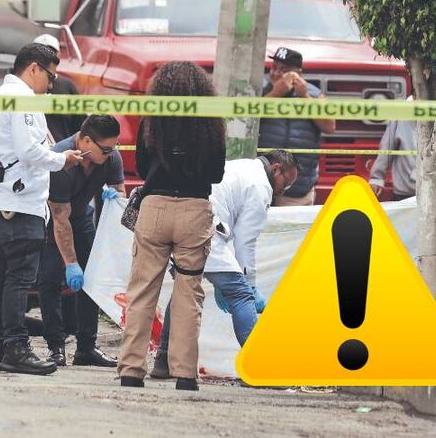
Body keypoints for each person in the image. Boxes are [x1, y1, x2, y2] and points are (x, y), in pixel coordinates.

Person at [0, 42, 85, 376]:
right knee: (19, 279)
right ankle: (16, 347)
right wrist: (61, 159)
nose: (50, 85)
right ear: (34, 68)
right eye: (50, 77)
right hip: (20, 203)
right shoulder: (24, 99)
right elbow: (28, 150)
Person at [117, 61, 225, 392]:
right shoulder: (210, 122)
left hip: (155, 207)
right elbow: (217, 173)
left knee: (143, 290)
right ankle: (185, 374)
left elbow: (141, 165)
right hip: (194, 210)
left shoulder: (155, 119)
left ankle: (132, 370)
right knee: (188, 294)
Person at [151, 150, 297, 380]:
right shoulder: (261, 187)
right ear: (276, 168)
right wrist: (250, 284)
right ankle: (258, 367)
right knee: (240, 295)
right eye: (285, 183)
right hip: (205, 229)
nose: (282, 190)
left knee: (183, 290)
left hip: (181, 224)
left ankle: (164, 360)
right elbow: (245, 241)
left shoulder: (241, 167)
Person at [39, 114, 125, 368]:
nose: (110, 154)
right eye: (106, 149)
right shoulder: (60, 160)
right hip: (53, 220)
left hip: (81, 217)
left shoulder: (111, 157)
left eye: (113, 148)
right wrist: (71, 263)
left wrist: (116, 197)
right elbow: (60, 218)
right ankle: (56, 347)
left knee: (92, 281)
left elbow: (120, 191)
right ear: (86, 141)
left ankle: (86, 347)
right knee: (50, 280)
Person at [258, 47, 335, 206]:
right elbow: (245, 120)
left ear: (298, 74)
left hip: (298, 190)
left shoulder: (315, 94)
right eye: (274, 67)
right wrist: (275, 94)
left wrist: (304, 97)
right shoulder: (261, 91)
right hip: (261, 186)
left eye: (283, 70)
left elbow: (330, 127)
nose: (275, 73)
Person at [32, 34, 85, 141]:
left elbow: (81, 126)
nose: (46, 57)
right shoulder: (22, 87)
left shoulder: (68, 87)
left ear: (59, 55)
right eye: (40, 53)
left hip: (63, 153)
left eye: (51, 53)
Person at [368, 97, 417, 202]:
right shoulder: (401, 112)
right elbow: (387, 147)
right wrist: (377, 178)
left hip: (435, 189)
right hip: (406, 190)